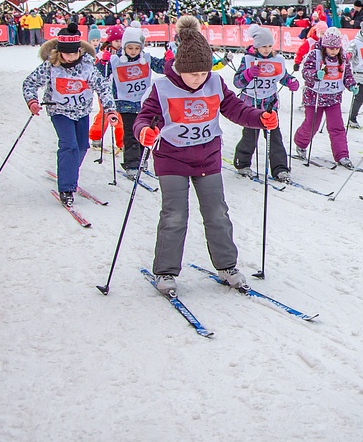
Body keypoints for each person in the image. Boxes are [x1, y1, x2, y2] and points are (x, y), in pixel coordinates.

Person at [133, 17, 276, 296]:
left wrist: (261, 118)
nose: (199, 79)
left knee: (217, 213)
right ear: (181, 69)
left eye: (203, 73)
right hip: (171, 159)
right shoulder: (162, 88)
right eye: (193, 74)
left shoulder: (214, 82)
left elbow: (236, 108)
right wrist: (144, 132)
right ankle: (165, 271)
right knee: (175, 215)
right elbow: (144, 118)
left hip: (207, 158)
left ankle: (227, 266)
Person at [21, 23, 116, 207]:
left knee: (81, 147)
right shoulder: (50, 66)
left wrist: (110, 109)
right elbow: (29, 83)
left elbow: (103, 88)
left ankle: (69, 171)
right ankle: (66, 187)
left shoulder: (88, 67)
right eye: (68, 53)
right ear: (60, 51)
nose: (72, 57)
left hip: (81, 112)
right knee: (69, 146)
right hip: (59, 112)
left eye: (75, 53)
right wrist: (32, 101)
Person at [232, 25, 297, 182]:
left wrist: (291, 81)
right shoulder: (248, 59)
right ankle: (243, 163)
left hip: (269, 104)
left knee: (275, 136)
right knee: (250, 135)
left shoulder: (276, 60)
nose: (267, 49)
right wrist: (247, 74)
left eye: (269, 46)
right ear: (256, 46)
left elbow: (282, 76)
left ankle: (280, 168)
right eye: (263, 46)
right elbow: (237, 82)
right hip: (251, 105)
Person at [108, 24, 166, 178]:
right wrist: (101, 63)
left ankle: (142, 159)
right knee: (130, 133)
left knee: (144, 131)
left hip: (143, 104)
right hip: (125, 104)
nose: (133, 51)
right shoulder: (116, 60)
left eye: (136, 48)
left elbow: (161, 67)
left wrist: (169, 60)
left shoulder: (145, 58)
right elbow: (100, 73)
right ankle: (131, 163)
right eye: (130, 48)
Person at [295, 29, 354, 167]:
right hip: (315, 97)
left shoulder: (343, 57)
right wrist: (315, 74)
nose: (334, 51)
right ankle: (301, 143)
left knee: (337, 126)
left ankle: (342, 155)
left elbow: (347, 75)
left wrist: (351, 85)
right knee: (312, 124)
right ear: (324, 46)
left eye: (336, 48)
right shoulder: (315, 54)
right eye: (330, 48)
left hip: (333, 98)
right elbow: (306, 72)